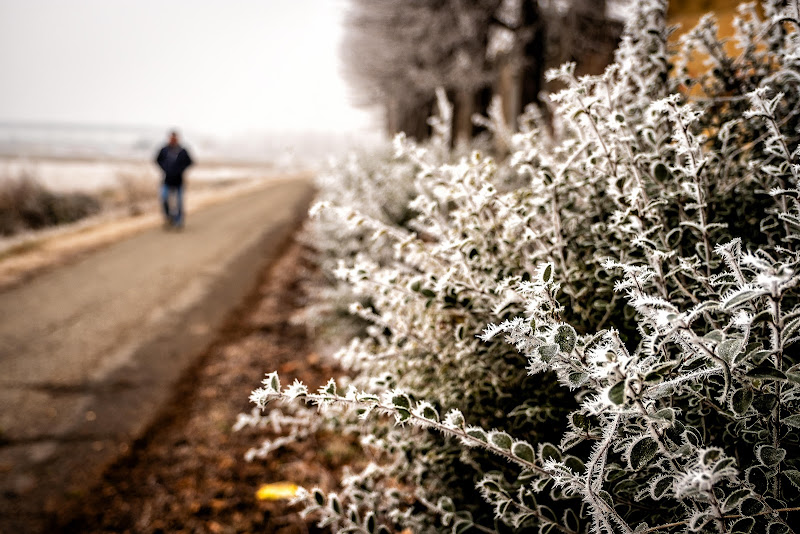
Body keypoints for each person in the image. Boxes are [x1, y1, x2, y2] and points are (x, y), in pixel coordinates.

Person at [155, 130, 193, 229]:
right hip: (167, 180)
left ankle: (178, 221)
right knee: (164, 198)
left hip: (179, 181)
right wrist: (165, 168)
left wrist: (180, 169)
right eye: (171, 138)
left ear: (177, 139)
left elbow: (190, 161)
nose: (173, 140)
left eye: (174, 138)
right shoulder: (164, 150)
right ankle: (168, 217)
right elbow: (157, 160)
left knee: (179, 202)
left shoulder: (182, 151)